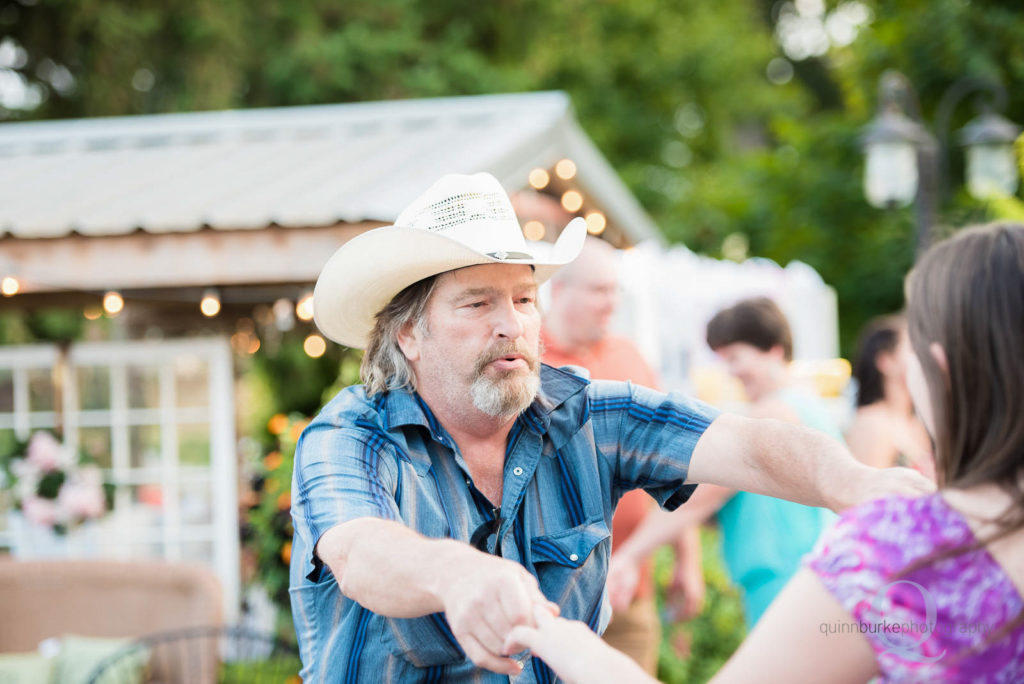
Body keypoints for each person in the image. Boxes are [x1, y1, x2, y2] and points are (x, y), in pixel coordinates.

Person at [289, 172, 932, 683]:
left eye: (522, 298)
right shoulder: (350, 436)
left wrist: (851, 479)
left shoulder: (592, 413)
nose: (511, 323)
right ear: (408, 334)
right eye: (477, 302)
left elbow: (748, 444)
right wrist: (455, 575)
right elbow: (358, 550)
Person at [501, 221, 1024, 683]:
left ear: (942, 367)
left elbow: (704, 491)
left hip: (776, 584)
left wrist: (554, 633)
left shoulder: (905, 548)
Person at [607, 297, 840, 629]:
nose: (731, 372)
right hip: (806, 580)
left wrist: (629, 556)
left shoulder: (772, 415)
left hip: (785, 583)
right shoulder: (811, 408)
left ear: (773, 350)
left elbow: (699, 497)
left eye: (736, 357)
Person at [542, 236, 704, 674]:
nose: (610, 302)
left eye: (615, 290)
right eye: (598, 290)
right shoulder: (526, 360)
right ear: (559, 290)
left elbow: (672, 463)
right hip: (554, 599)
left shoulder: (629, 354)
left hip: (632, 591)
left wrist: (687, 560)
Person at [846, 314, 935, 479]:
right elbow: (865, 498)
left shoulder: (915, 422)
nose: (925, 356)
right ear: (885, 361)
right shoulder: (872, 423)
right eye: (913, 349)